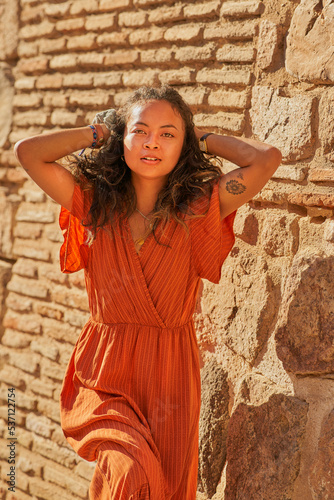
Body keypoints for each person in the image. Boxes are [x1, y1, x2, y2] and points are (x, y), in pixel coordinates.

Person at [14, 85, 282, 499]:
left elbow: (266, 160)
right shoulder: (92, 204)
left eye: (168, 134)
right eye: (140, 131)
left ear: (182, 147)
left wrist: (202, 138)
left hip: (171, 378)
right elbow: (29, 151)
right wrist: (99, 132)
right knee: (128, 468)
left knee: (165, 488)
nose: (152, 142)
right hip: (105, 373)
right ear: (123, 138)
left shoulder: (198, 210)